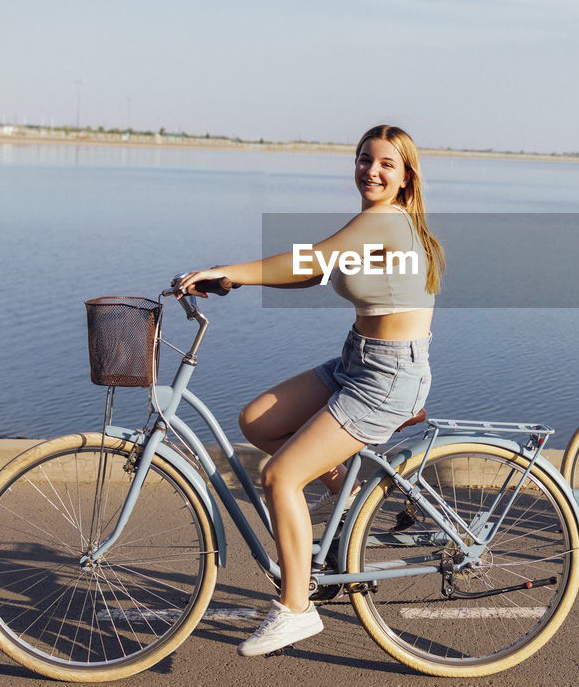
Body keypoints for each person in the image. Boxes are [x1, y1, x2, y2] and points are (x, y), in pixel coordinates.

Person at [175, 124, 445, 657]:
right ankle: (344, 496)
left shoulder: (387, 222)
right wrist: (235, 279)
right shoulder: (382, 222)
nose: (371, 170)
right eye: (364, 159)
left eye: (386, 164)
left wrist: (229, 268)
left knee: (279, 475)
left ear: (406, 176)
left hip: (388, 376)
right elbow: (312, 272)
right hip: (358, 361)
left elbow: (310, 260)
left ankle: (297, 609)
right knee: (258, 421)